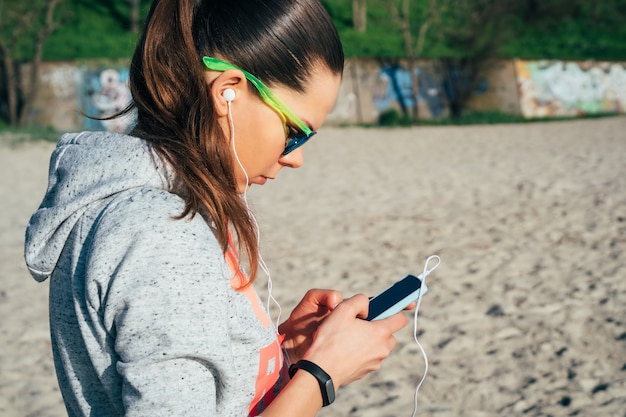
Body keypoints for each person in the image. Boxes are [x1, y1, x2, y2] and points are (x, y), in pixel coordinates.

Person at [24, 1, 409, 416]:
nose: (295, 157)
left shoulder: (134, 209)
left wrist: (279, 354)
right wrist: (321, 377)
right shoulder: (160, 233)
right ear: (228, 91)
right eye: (295, 132)